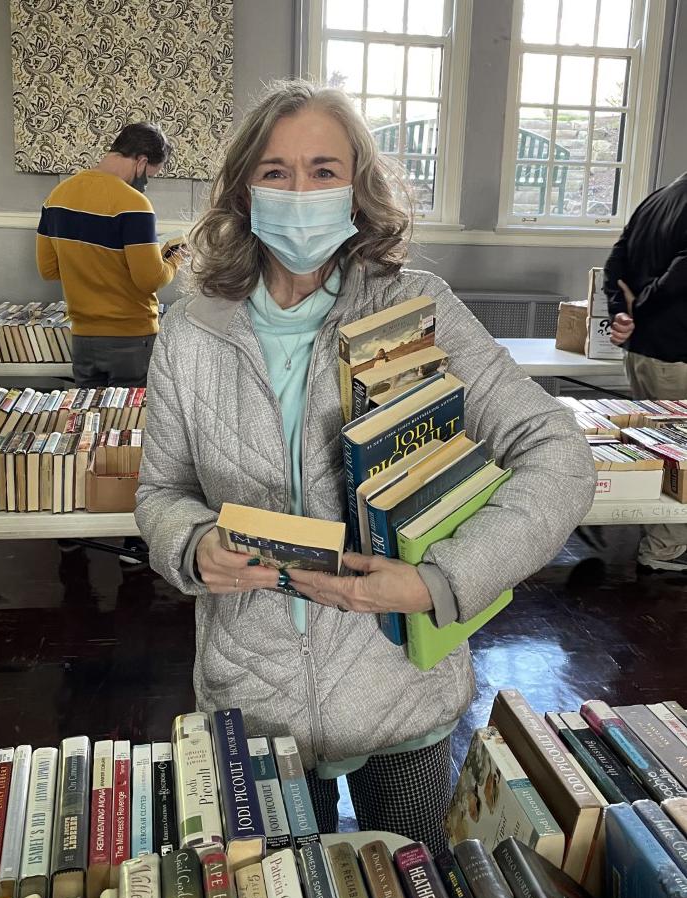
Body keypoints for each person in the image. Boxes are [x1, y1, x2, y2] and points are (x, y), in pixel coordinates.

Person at [135, 80, 595, 854]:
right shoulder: (190, 330)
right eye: (276, 171)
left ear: (357, 185)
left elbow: (560, 454)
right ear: (244, 190)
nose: (301, 190)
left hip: (401, 690)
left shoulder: (418, 307)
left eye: (324, 168)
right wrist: (189, 543)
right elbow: (161, 489)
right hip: (256, 700)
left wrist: (439, 580)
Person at [36, 122, 183, 387]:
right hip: (131, 340)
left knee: (89, 420)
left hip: (82, 337)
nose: (147, 183)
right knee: (128, 421)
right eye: (151, 174)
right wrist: (174, 260)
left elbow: (48, 270)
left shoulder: (56, 197)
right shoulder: (134, 204)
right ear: (141, 161)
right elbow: (149, 280)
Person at [604, 172, 687, 573]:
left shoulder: (659, 197)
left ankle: (661, 543)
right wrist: (638, 311)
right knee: (677, 452)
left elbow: (615, 263)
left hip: (644, 352)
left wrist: (622, 313)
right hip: (676, 353)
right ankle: (665, 549)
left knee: (659, 445)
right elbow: (681, 276)